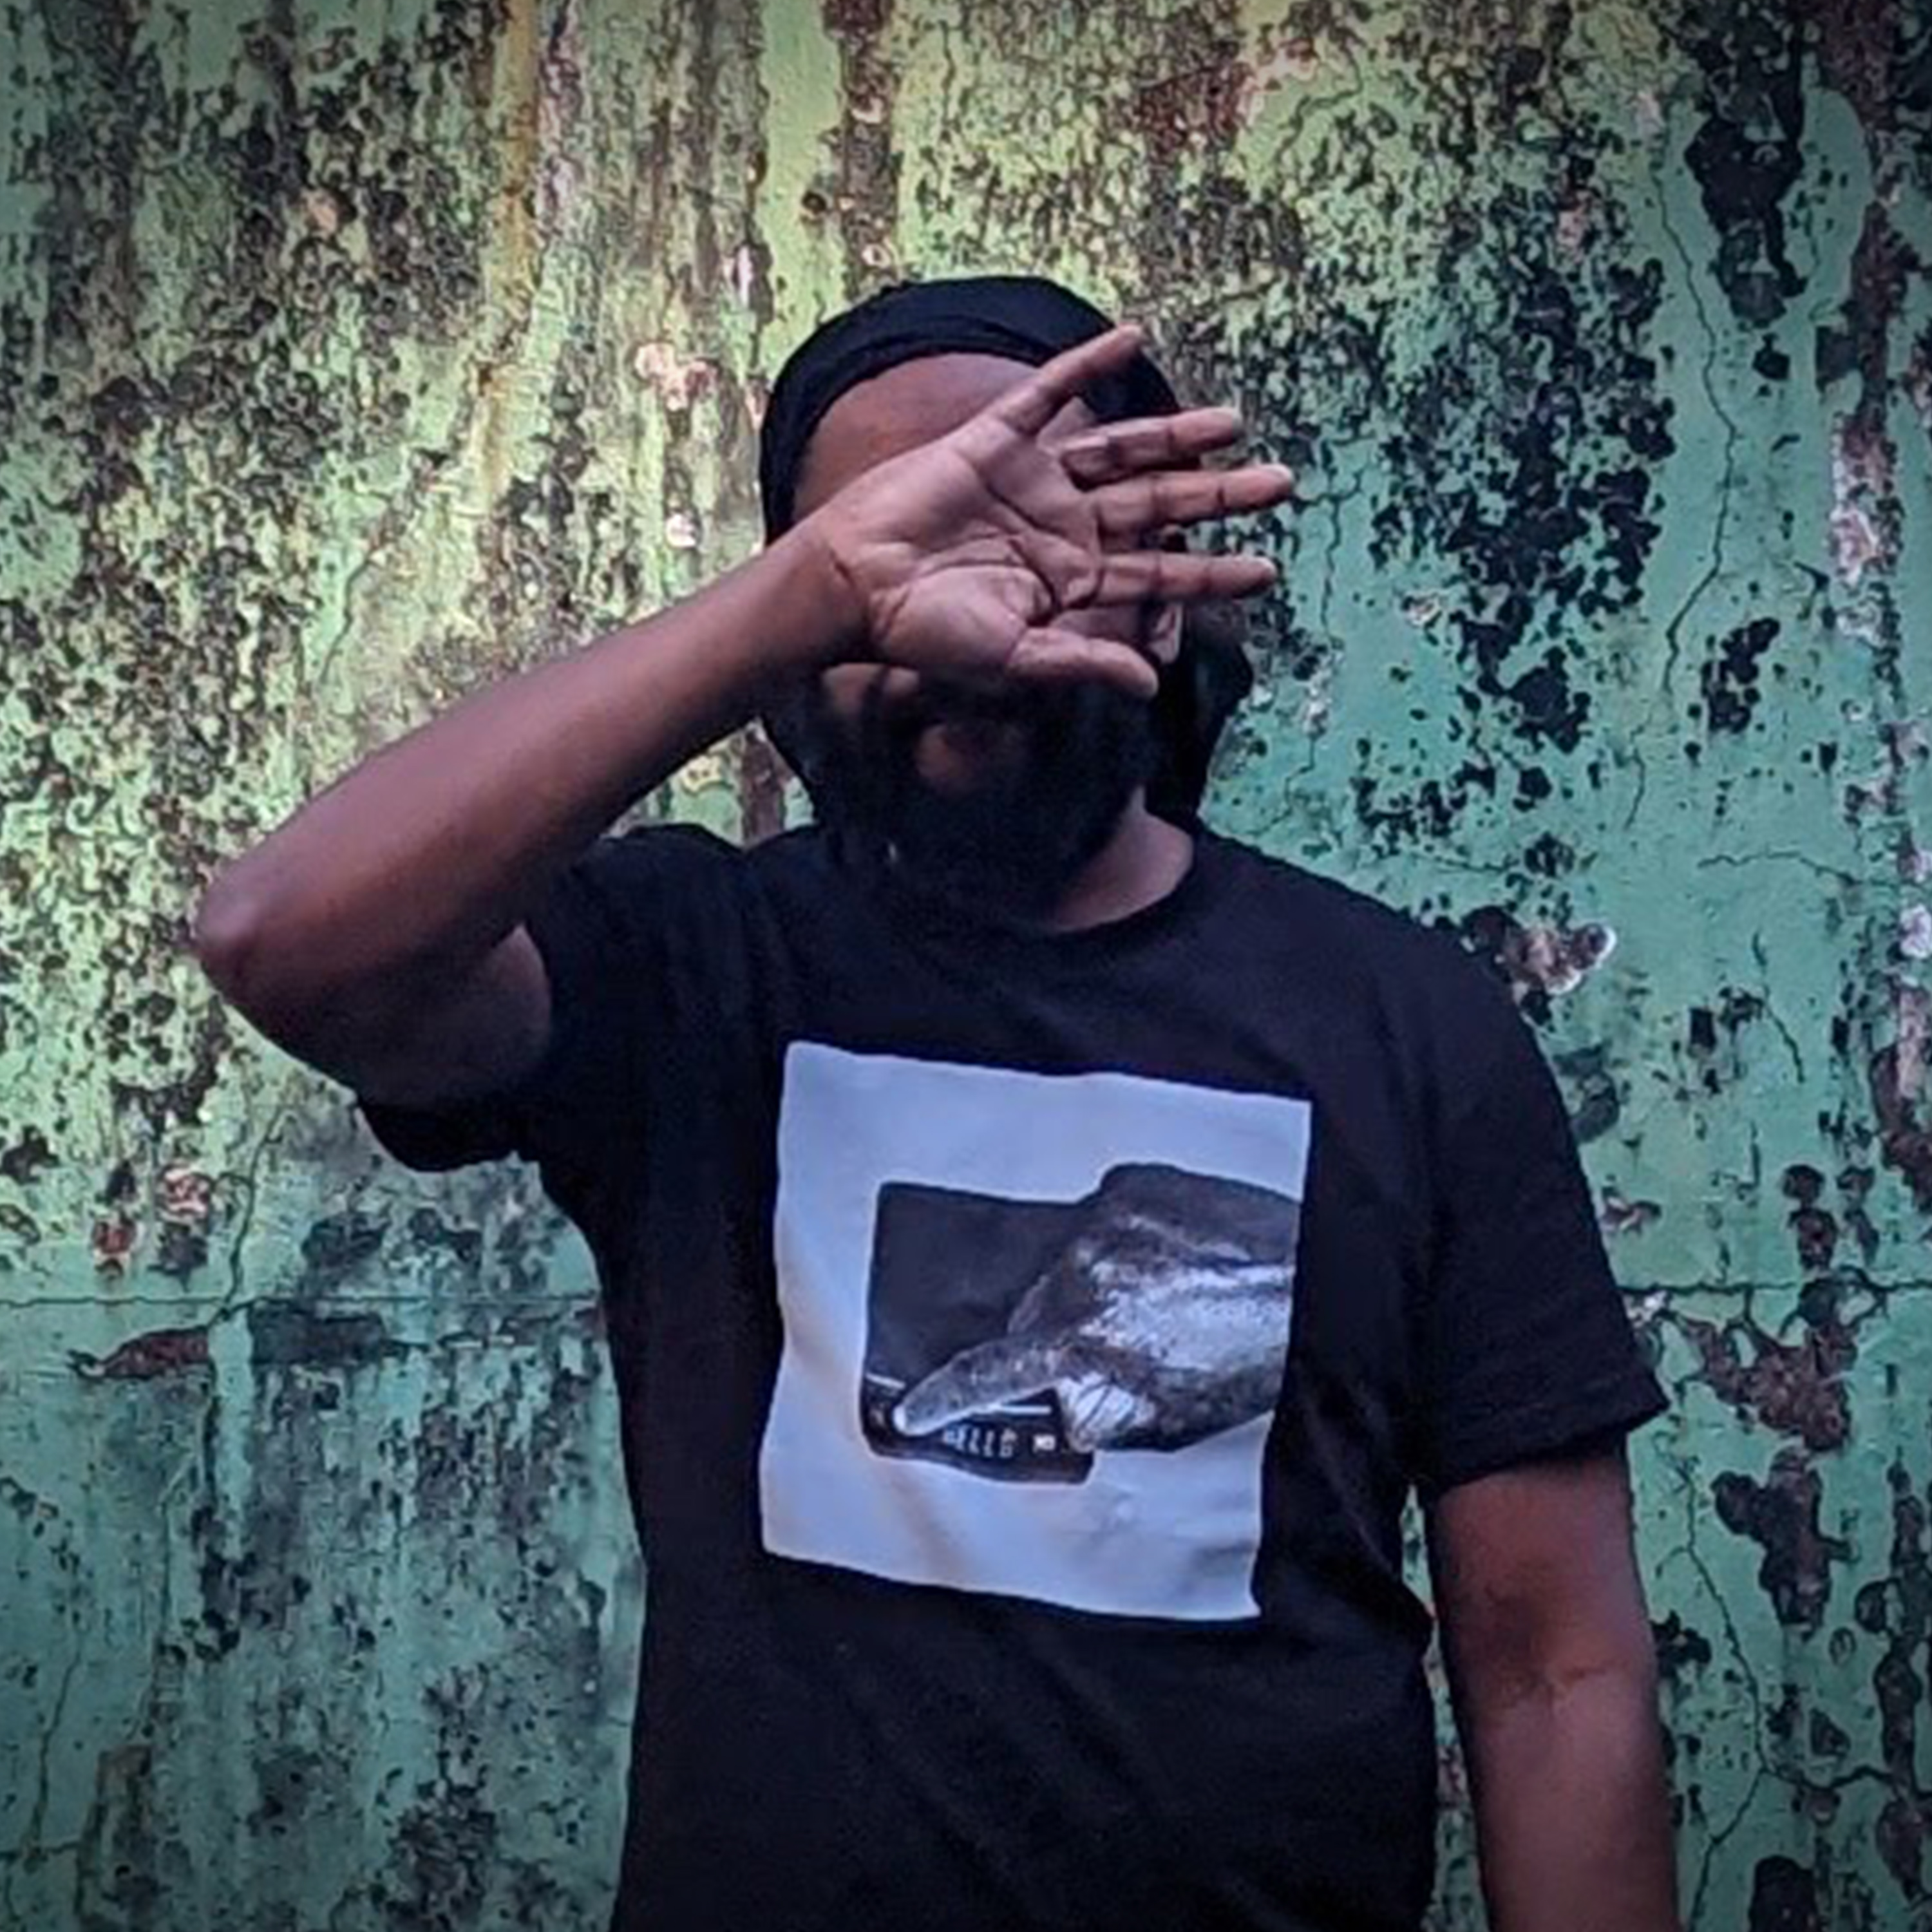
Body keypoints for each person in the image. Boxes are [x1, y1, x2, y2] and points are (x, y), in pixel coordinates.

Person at [194, 276, 1678, 1932]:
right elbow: (283, 942)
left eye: (1041, 533)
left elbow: (1557, 1670)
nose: (958, 606)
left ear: (1164, 603)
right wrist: (816, 589)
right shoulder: (690, 967)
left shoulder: (1409, 1025)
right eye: (894, 550)